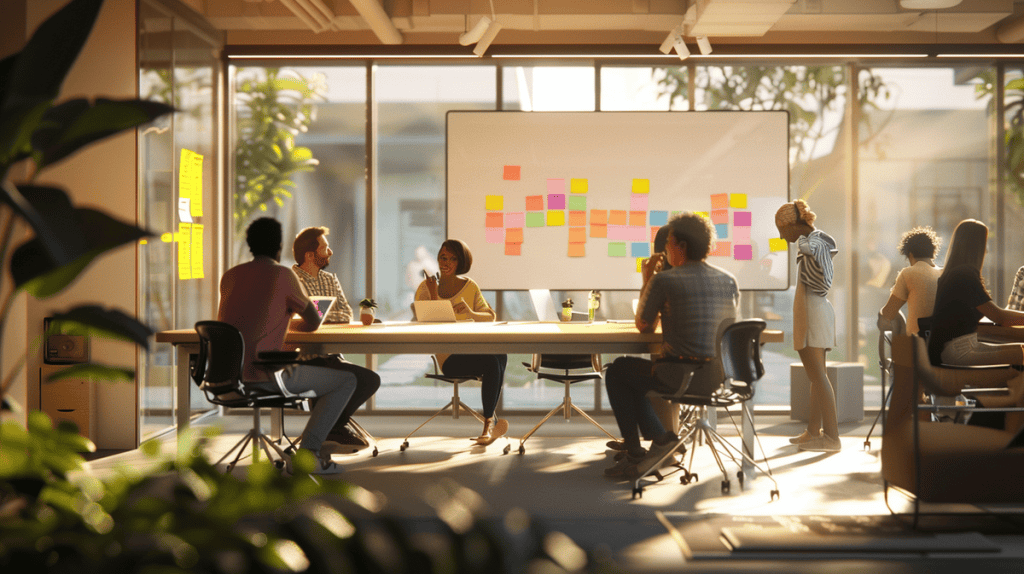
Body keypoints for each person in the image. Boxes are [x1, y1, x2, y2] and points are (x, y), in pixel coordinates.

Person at [602, 213, 739, 479]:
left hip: (680, 375)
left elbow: (644, 326)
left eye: (668, 245)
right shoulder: (728, 280)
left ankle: (641, 449)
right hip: (717, 376)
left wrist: (646, 279)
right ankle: (661, 441)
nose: (665, 251)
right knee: (636, 375)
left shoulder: (665, 280)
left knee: (619, 371)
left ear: (681, 246)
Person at [218, 217, 356, 474]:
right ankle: (309, 455)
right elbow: (314, 322)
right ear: (279, 246)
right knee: (346, 380)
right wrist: (288, 325)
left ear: (250, 245)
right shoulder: (283, 275)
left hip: (225, 377)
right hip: (265, 373)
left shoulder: (230, 276)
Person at [926, 219, 1024, 432]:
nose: (987, 250)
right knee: (1020, 356)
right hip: (958, 350)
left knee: (1019, 354)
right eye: (985, 243)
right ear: (975, 245)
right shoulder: (965, 275)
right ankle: (1002, 418)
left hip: (951, 349)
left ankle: (997, 414)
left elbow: (989, 316)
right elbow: (1000, 316)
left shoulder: (955, 274)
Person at [291, 226, 381, 447]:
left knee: (370, 380)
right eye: (325, 248)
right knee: (368, 379)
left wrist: (318, 315)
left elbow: (346, 313)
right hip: (303, 359)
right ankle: (333, 427)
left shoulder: (330, 279)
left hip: (332, 356)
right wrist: (322, 315)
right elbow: (296, 321)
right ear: (310, 255)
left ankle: (332, 426)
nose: (330, 252)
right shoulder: (291, 280)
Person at [414, 239, 509, 445]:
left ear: (461, 262)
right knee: (492, 363)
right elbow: (423, 319)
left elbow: (490, 316)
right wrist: (432, 293)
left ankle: (490, 420)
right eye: (443, 257)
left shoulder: (470, 286)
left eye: (453, 259)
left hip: (472, 351)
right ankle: (488, 424)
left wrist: (470, 312)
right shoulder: (426, 286)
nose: (446, 263)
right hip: (449, 357)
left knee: (501, 354)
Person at [775, 199, 841, 452]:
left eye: (783, 231)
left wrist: (803, 243)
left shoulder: (813, 243)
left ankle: (833, 438)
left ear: (793, 226)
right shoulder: (811, 243)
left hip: (814, 314)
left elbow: (821, 279)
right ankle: (815, 431)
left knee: (819, 378)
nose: (782, 238)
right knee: (816, 378)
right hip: (814, 313)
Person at [878, 226, 943, 336]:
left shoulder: (908, 273)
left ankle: (896, 353)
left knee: (886, 318)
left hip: (920, 342)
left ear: (910, 254)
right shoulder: (945, 272)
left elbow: (888, 313)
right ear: (932, 252)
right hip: (943, 339)